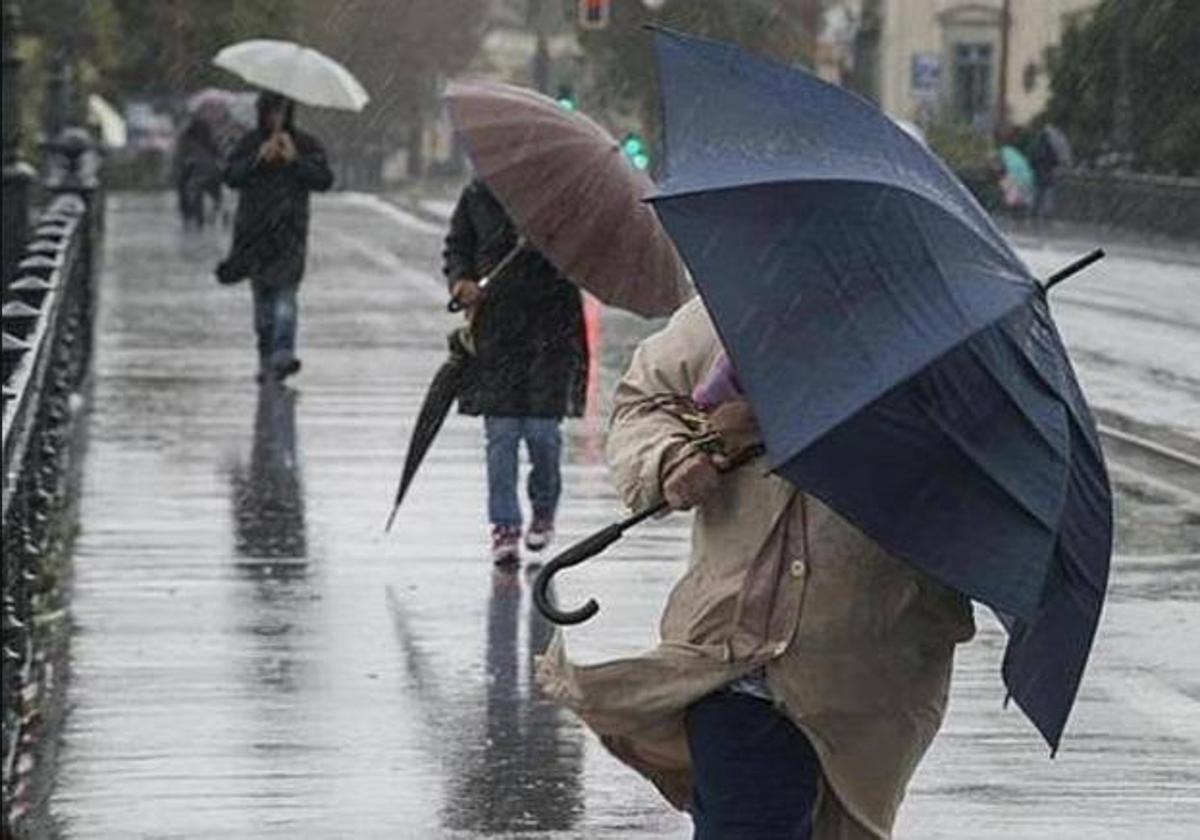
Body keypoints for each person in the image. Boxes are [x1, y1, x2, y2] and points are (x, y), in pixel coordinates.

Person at [537, 299, 976, 839]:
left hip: (870, 672)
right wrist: (677, 454)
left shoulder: (947, 336)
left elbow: (982, 492)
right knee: (749, 821)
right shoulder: (735, 307)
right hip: (732, 656)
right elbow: (643, 405)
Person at [442, 178, 588, 566]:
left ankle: (544, 508)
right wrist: (462, 280)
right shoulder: (479, 194)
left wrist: (546, 240)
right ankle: (504, 526)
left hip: (551, 333)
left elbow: (584, 252)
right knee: (501, 436)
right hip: (497, 332)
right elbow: (458, 246)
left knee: (544, 436)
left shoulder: (561, 196)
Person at [223, 92, 333, 382]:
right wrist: (259, 158)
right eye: (270, 113)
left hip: (290, 234)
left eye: (280, 113)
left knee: (285, 297)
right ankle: (266, 355)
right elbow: (232, 176)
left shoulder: (306, 144)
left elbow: (323, 180)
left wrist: (295, 161)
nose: (275, 119)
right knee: (263, 306)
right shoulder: (248, 143)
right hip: (255, 235)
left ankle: (283, 352)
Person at [174, 118, 223, 228]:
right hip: (212, 174)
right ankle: (214, 213)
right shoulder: (209, 139)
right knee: (215, 198)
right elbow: (219, 155)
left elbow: (180, 160)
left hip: (196, 175)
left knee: (189, 191)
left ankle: (193, 218)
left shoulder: (185, 140)